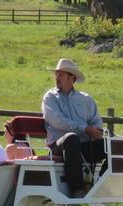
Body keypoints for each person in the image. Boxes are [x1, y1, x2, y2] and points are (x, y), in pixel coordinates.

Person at [41, 58, 106, 198]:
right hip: (59, 146)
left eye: (60, 74)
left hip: (83, 147)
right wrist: (85, 129)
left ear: (72, 78)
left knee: (108, 145)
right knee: (71, 138)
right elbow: (57, 121)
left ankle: (101, 184)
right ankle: (77, 189)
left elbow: (96, 122)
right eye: (56, 74)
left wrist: (96, 132)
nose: (56, 77)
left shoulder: (86, 99)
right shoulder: (50, 97)